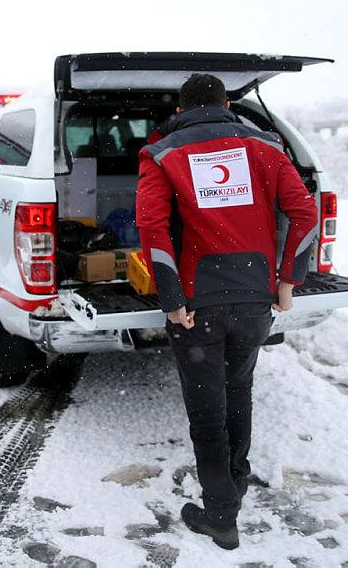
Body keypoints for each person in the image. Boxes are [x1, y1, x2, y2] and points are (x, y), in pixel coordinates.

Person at [136, 73, 319, 550]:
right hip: (255, 298)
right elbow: (304, 214)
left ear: (180, 108)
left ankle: (220, 515)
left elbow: (152, 228)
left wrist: (172, 300)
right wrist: (286, 282)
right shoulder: (265, 145)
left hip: (198, 304)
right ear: (226, 103)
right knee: (239, 390)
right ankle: (235, 480)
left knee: (207, 411)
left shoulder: (162, 153)